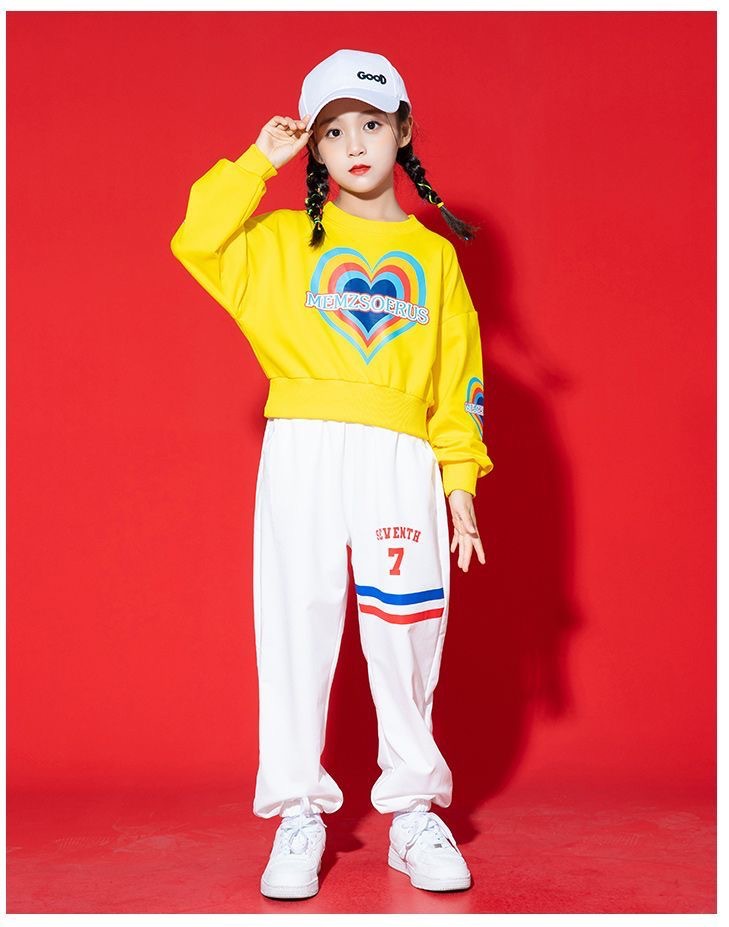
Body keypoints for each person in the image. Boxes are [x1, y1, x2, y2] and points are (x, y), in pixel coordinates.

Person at [170, 48, 493, 900]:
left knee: (406, 627)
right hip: (303, 446)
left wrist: (460, 484)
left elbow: (458, 379)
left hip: (400, 452)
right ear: (313, 147)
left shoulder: (434, 259)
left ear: (403, 132)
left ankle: (413, 811)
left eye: (371, 124)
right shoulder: (281, 242)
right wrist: (256, 161)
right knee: (297, 624)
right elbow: (195, 239)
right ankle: (297, 812)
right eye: (333, 130)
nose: (354, 143)